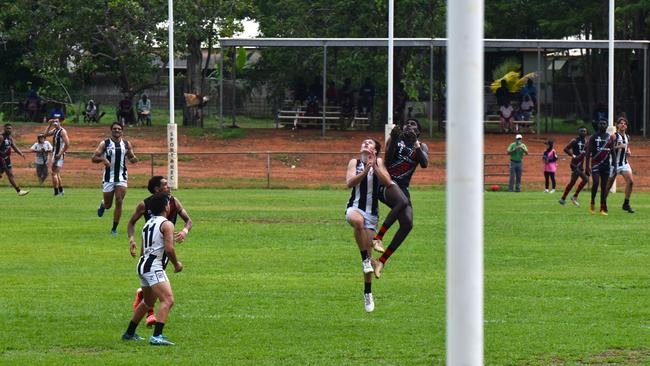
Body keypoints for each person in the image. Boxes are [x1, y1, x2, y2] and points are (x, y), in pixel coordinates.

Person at [127, 175, 193, 325]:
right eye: (165, 184)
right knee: (160, 287)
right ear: (157, 189)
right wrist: (132, 240)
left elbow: (188, 221)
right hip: (150, 245)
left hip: (165, 245)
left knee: (153, 283)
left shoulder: (174, 201)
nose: (168, 186)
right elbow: (131, 223)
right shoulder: (145, 205)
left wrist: (184, 231)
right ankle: (150, 316)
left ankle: (142, 298)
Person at [121, 192, 183, 346]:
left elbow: (144, 249)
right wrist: (176, 264)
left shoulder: (147, 223)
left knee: (148, 301)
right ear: (166, 207)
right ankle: (157, 336)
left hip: (143, 264)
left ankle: (129, 333)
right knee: (168, 300)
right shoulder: (167, 224)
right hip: (154, 266)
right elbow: (169, 249)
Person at [372, 119, 429, 279]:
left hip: (402, 188)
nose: (409, 125)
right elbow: (388, 161)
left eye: (414, 125)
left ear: (418, 132)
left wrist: (416, 144)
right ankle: (378, 238)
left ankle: (381, 261)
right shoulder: (396, 139)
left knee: (407, 224)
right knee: (402, 202)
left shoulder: (421, 146)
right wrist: (394, 138)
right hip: (387, 184)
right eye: (408, 123)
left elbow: (424, 163)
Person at [346, 137, 393, 312]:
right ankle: (367, 260)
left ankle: (368, 293)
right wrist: (365, 170)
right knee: (357, 221)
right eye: (364, 142)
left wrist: (374, 166)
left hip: (372, 215)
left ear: (375, 149)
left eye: (370, 142)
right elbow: (349, 183)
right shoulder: (354, 162)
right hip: (355, 208)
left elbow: (387, 182)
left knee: (368, 264)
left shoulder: (379, 162)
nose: (365, 143)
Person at [92, 122, 138, 234]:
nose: (117, 130)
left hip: (121, 177)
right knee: (108, 206)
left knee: (119, 200)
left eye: (119, 129)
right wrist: (103, 159)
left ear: (122, 131)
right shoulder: (105, 143)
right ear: (111, 130)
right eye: (114, 129)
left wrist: (134, 159)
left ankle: (114, 228)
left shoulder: (126, 144)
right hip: (108, 177)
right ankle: (103, 204)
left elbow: (131, 156)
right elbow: (94, 158)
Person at [585, 119, 615, 215]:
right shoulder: (593, 137)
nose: (602, 125)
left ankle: (602, 208)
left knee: (604, 187)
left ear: (607, 126)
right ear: (598, 125)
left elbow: (613, 152)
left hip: (606, 165)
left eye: (604, 124)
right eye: (600, 123)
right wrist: (586, 166)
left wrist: (614, 164)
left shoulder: (609, 137)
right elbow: (588, 152)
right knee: (596, 183)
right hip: (595, 164)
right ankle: (592, 202)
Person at [606, 116, 635, 213]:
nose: (623, 125)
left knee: (630, 182)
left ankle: (626, 204)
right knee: (608, 185)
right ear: (617, 125)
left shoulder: (627, 137)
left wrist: (628, 151)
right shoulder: (614, 136)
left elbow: (627, 146)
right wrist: (619, 146)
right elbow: (608, 149)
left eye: (625, 123)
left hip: (624, 163)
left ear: (626, 126)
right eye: (621, 123)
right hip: (613, 164)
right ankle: (603, 203)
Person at [559, 127, 589, 206]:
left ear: (586, 133)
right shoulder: (575, 141)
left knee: (572, 182)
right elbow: (566, 149)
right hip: (575, 164)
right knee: (585, 179)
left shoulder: (586, 142)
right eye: (581, 131)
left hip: (581, 165)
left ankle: (563, 199)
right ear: (579, 132)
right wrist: (573, 155)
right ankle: (574, 196)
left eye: (585, 131)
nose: (583, 132)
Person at [0, 124, 30, 196]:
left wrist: (21, 153)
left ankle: (19, 191)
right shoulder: (1, 137)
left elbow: (14, 146)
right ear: (4, 128)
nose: (9, 130)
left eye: (10, 128)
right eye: (7, 128)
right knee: (10, 174)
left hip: (7, 158)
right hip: (1, 158)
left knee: (3, 175)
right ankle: (19, 191)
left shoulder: (10, 137)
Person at [44, 116, 70, 196]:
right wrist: (49, 125)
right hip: (55, 153)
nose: (55, 123)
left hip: (58, 155)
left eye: (56, 121)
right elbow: (45, 134)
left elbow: (67, 144)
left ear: (60, 122)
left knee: (53, 173)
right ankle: (61, 191)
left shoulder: (62, 131)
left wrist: (60, 154)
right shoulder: (55, 130)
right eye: (54, 121)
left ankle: (56, 192)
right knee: (57, 173)